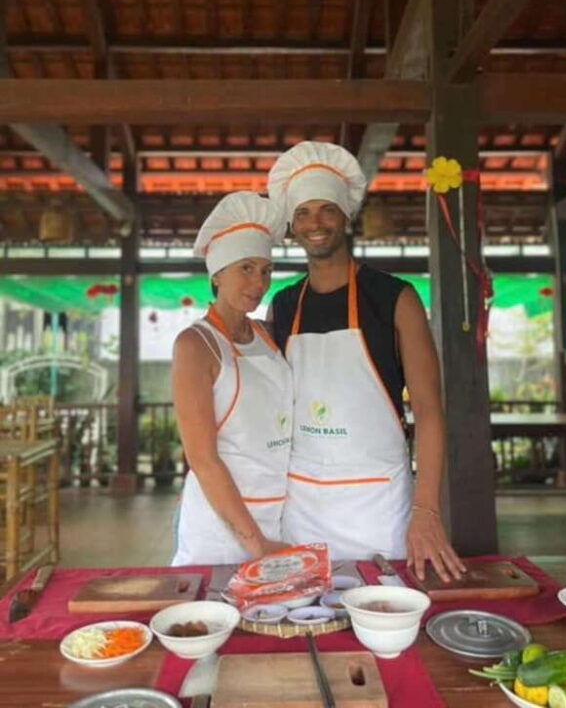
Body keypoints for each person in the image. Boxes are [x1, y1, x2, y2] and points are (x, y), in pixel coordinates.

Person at [268, 141, 465, 581]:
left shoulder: (395, 298)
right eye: (302, 212)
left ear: (345, 216)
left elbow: (430, 412)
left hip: (379, 507)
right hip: (302, 506)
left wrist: (427, 511)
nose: (314, 222)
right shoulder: (281, 306)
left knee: (387, 615)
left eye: (325, 210)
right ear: (292, 225)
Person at [171, 191, 293, 565]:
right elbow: (202, 458)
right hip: (220, 526)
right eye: (246, 268)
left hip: (278, 513)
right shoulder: (195, 344)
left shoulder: (267, 335)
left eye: (266, 270)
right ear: (217, 273)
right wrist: (255, 542)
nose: (258, 282)